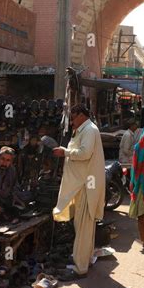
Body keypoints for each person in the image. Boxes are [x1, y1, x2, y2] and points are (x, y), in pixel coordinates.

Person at [52, 105, 106, 278]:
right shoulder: (84, 129)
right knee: (84, 227)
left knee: (83, 227)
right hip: (83, 184)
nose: (72, 121)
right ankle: (85, 259)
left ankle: (79, 268)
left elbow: (85, 154)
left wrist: (65, 152)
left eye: (73, 118)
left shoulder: (89, 130)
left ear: (82, 116)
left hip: (86, 186)